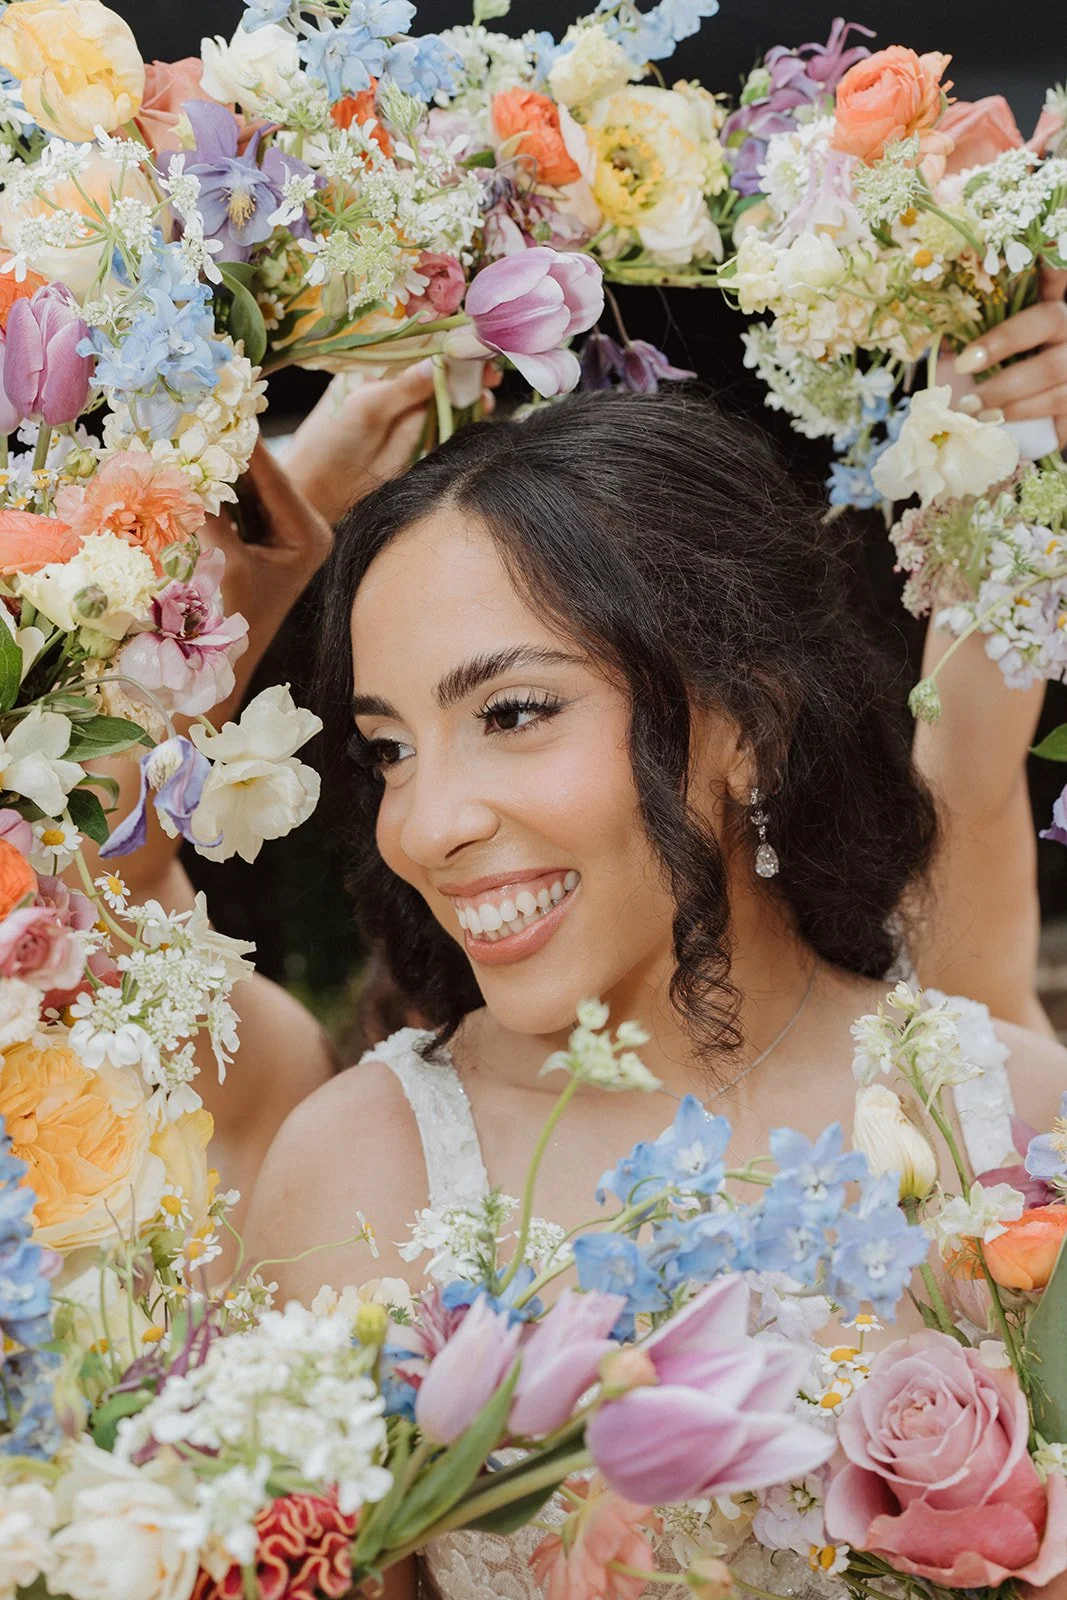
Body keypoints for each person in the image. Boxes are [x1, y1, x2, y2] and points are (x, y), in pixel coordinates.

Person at [240, 389, 1066, 1600]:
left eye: (511, 713)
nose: (427, 823)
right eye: (388, 748)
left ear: (750, 724)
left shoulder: (1010, 1119)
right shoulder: (362, 1171)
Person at [75, 363, 440, 1263]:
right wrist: (279, 522)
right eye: (390, 752)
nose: (445, 816)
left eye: (518, 717)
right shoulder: (281, 1085)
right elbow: (76, 889)